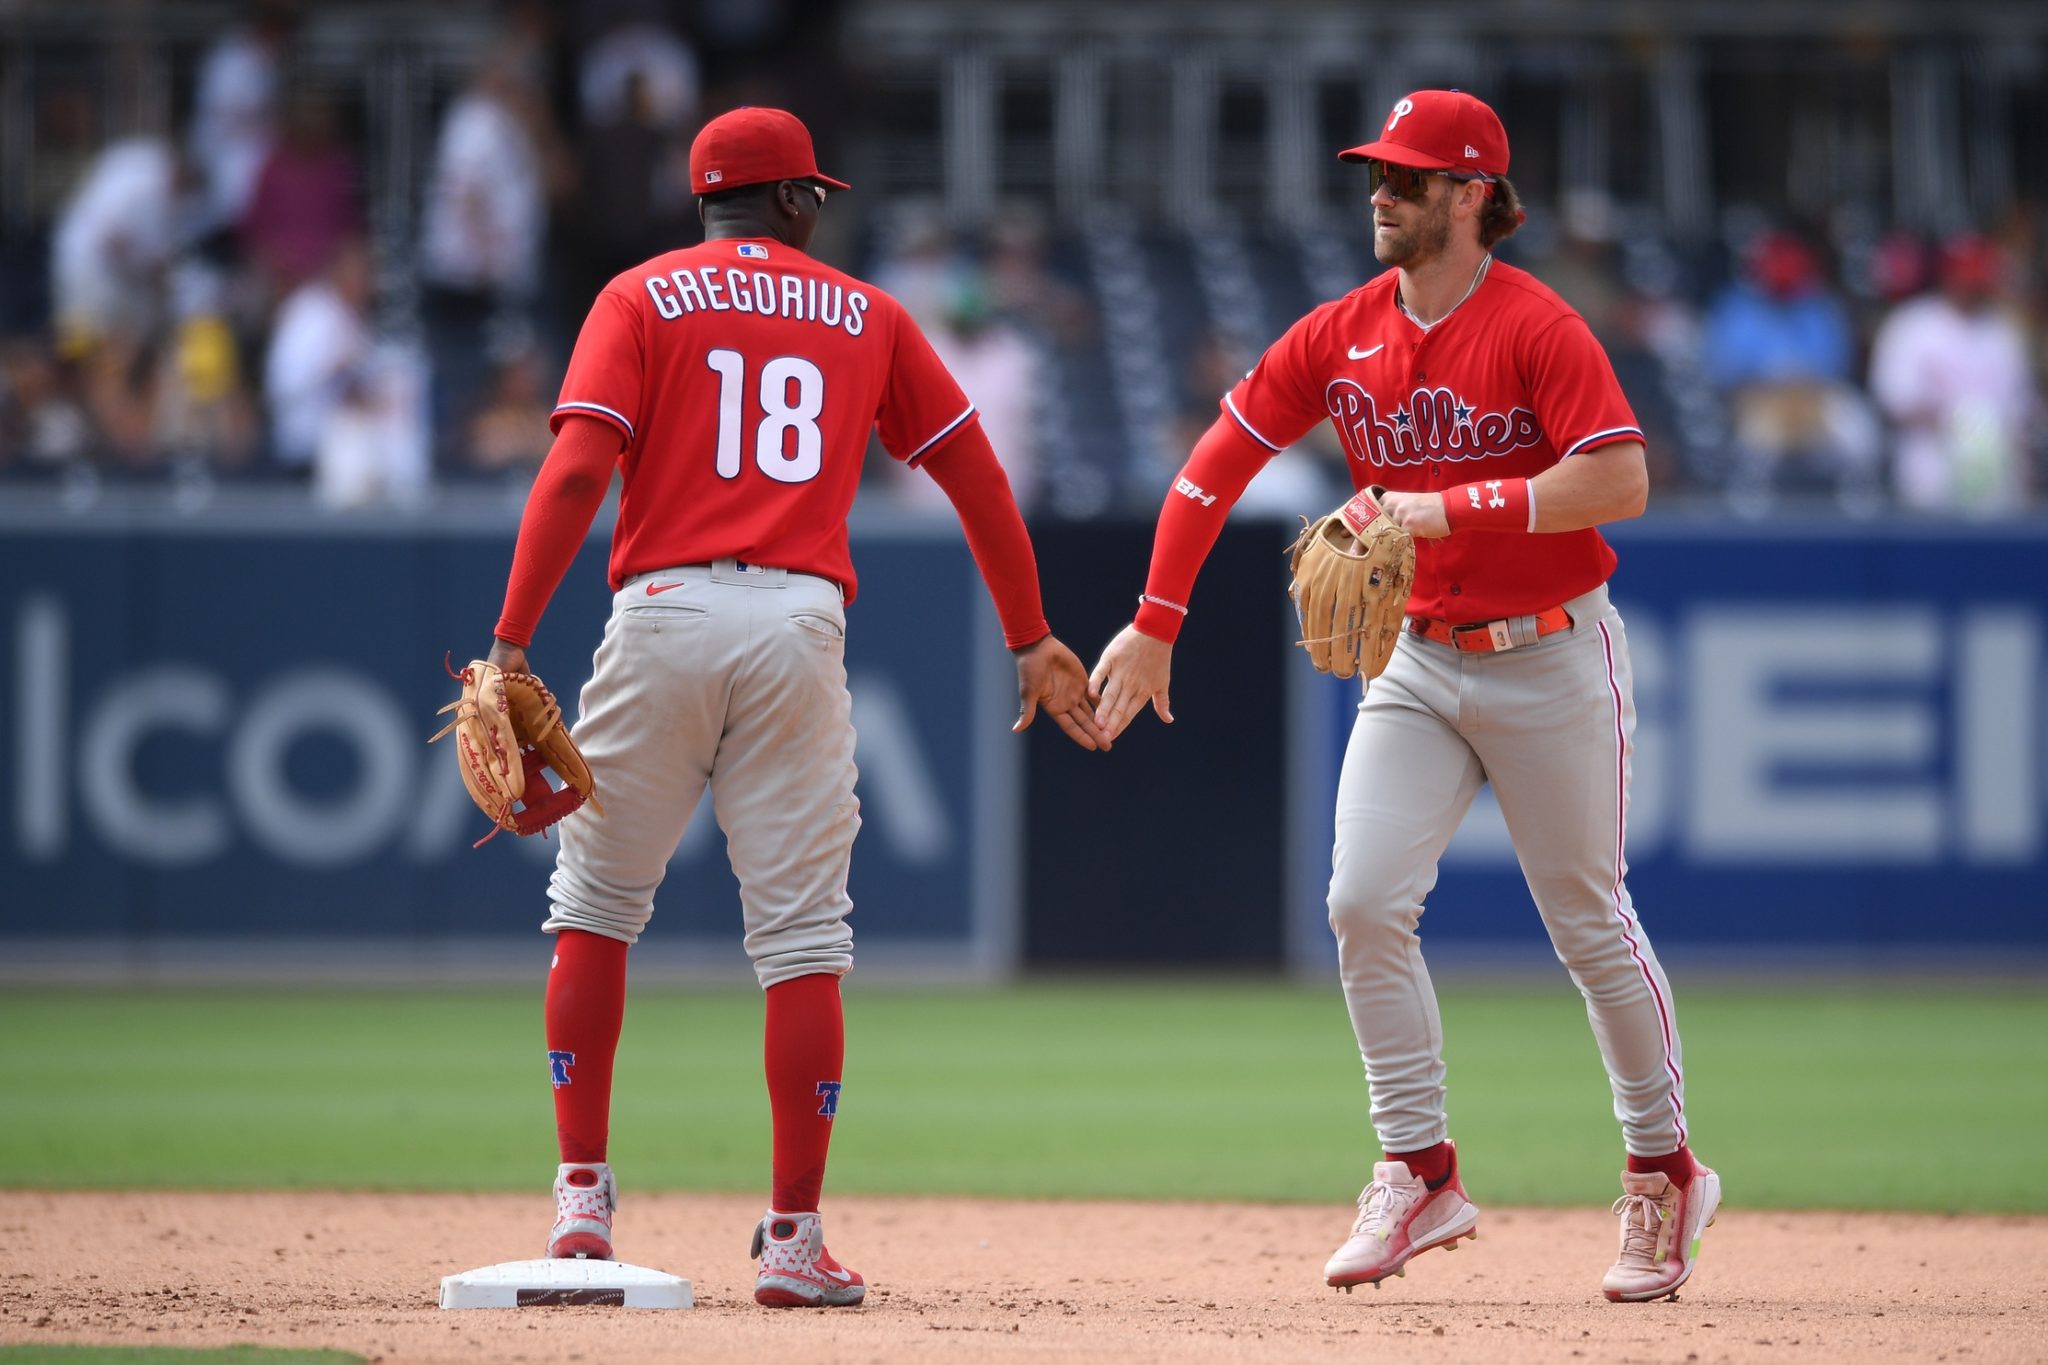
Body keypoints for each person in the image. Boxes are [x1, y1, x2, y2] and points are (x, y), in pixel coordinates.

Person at [1088, 89, 1717, 1304]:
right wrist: (1153, 623)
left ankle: (1662, 1173)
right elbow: (1207, 473)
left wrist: (1457, 506)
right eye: (1376, 173)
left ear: (1475, 194)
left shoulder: (1536, 325)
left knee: (1587, 925)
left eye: (1410, 178)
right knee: (1361, 902)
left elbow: (1623, 479)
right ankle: (1417, 1167)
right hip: (1418, 660)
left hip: (1550, 654)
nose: (1381, 193)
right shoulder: (1339, 333)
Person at [476, 106, 1104, 1308]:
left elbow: (572, 468)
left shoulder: (637, 295)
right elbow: (972, 468)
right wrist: (1027, 635)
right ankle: (792, 1241)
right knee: (804, 942)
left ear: (699, 198)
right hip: (796, 623)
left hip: (657, 609)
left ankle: (580, 1202)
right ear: (798, 203)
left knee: (595, 909)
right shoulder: (866, 312)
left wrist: (510, 638)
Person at [1869, 232, 2038, 512]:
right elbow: (1894, 402)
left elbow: (2021, 408)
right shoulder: (1912, 325)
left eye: (1976, 277)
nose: (1970, 286)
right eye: (1963, 276)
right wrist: (1964, 423)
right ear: (1946, 277)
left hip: (1999, 475)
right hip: (1931, 469)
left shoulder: (2002, 331)